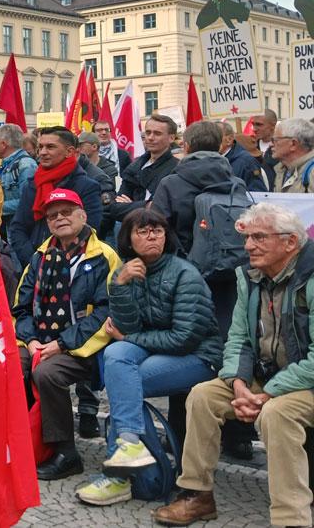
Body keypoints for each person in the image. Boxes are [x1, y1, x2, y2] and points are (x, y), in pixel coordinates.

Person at [153, 203, 314, 527]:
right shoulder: (251, 276)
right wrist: (239, 383)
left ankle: (291, 519)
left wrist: (267, 394)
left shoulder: (309, 278)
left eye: (259, 237)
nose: (248, 245)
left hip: (303, 382)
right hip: (266, 379)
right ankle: (197, 495)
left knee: (277, 414)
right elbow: (238, 337)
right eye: (248, 237)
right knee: (202, 396)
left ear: (289, 243)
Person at [74, 208, 221, 506]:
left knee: (125, 382)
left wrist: (130, 339)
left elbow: (184, 338)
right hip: (152, 348)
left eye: (157, 230)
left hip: (198, 355)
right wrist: (120, 286)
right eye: (143, 231)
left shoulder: (184, 273)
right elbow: (126, 325)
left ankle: (127, 477)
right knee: (116, 355)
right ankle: (131, 451)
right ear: (128, 239)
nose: (152, 235)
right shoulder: (126, 270)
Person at [13, 188, 120, 480]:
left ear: (82, 215)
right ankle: (26, 444)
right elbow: (20, 308)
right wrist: (32, 341)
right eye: (52, 215)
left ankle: (65, 452)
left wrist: (61, 344)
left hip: (85, 345)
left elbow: (105, 312)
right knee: (11, 366)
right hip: (40, 339)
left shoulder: (104, 256)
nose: (59, 219)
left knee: (47, 373)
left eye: (66, 212)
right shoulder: (39, 256)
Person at [8, 126, 104, 267]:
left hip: (73, 267)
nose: (43, 152)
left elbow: (90, 230)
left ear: (69, 151)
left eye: (50, 147)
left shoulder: (86, 186)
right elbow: (18, 228)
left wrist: (61, 261)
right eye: (40, 147)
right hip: (34, 265)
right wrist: (34, 261)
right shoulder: (33, 185)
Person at [150, 121, 238, 256]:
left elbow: (156, 227)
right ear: (220, 146)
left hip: (183, 266)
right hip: (230, 262)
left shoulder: (170, 184)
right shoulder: (236, 183)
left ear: (186, 146)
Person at [107, 114, 179, 227]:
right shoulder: (134, 167)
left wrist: (131, 206)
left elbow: (160, 208)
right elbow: (115, 209)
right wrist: (145, 206)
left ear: (171, 138)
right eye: (148, 132)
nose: (150, 137)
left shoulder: (176, 168)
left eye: (157, 133)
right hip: (132, 234)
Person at [0, 125, 38, 231]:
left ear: (4, 144)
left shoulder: (26, 165)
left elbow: (27, 202)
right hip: (9, 226)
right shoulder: (6, 165)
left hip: (22, 229)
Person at [218, 121, 267, 192]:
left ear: (229, 139)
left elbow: (257, 192)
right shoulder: (210, 159)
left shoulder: (246, 161)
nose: (210, 140)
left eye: (215, 137)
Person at [270, 117, 314, 193]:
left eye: (275, 140)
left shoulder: (312, 172)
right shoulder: (283, 169)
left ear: (293, 144)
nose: (271, 144)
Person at [252, 109, 279, 189]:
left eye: (259, 125)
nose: (254, 129)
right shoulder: (251, 147)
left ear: (273, 126)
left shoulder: (282, 149)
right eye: (253, 124)